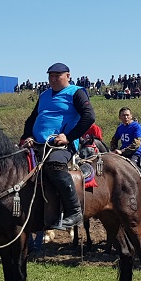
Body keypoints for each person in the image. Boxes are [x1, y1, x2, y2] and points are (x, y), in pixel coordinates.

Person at [20, 62, 95, 230]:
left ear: (68, 76)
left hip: (61, 146)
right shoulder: (44, 95)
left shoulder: (77, 92)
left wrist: (68, 137)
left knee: (54, 165)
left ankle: (74, 211)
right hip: (37, 143)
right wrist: (28, 136)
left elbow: (89, 117)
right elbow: (31, 119)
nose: (52, 79)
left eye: (57, 76)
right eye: (50, 76)